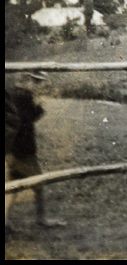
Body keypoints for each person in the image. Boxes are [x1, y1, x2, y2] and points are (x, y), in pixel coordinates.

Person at [6, 80, 66, 237]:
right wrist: (38, 106)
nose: (40, 86)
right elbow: (25, 119)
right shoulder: (22, 97)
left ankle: (6, 222)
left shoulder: (19, 94)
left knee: (14, 185)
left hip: (16, 148)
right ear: (30, 81)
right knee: (38, 184)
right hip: (22, 149)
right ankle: (41, 218)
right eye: (38, 82)